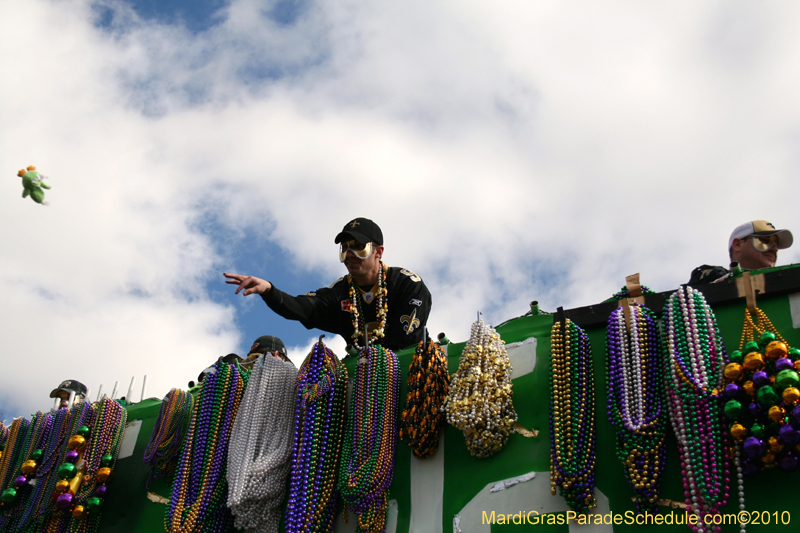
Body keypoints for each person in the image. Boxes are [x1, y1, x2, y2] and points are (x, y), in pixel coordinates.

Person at [224, 217, 432, 353]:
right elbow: (302, 307)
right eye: (345, 248)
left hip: (413, 371)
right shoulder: (339, 293)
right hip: (364, 383)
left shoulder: (407, 284)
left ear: (378, 252)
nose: (350, 254)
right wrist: (269, 290)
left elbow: (405, 344)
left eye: (358, 247)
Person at [688, 220, 794, 285]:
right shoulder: (711, 281)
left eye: (776, 245)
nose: (774, 249)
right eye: (765, 241)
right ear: (738, 244)